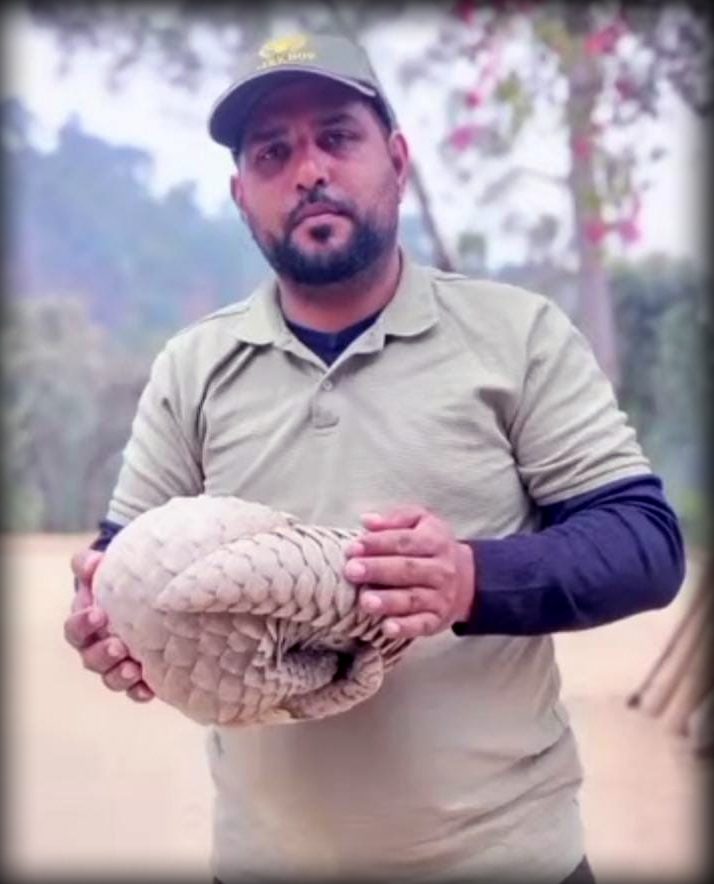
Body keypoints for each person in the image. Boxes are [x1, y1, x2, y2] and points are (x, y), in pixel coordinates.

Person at [64, 31, 685, 884]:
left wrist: (470, 578)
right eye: (273, 153)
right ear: (241, 194)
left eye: (337, 136)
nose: (308, 169)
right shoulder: (193, 368)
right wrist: (106, 621)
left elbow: (645, 545)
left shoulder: (518, 336)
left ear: (395, 157)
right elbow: (125, 556)